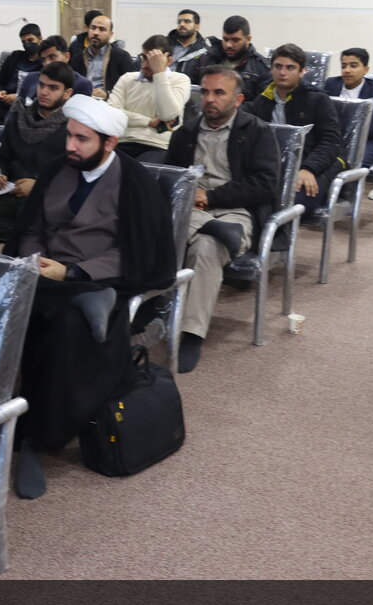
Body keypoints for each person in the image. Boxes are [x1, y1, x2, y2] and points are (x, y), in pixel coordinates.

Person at [3, 94, 174, 498]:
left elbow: (137, 253)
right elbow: (32, 228)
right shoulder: (56, 169)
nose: (70, 146)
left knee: (65, 328)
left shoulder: (135, 183)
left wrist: (75, 272)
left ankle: (36, 440)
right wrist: (35, 258)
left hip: (102, 281)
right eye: (70, 136)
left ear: (109, 142)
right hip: (43, 272)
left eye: (82, 139)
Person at [166, 67, 280, 373]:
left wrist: (212, 197)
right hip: (192, 209)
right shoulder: (185, 134)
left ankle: (191, 333)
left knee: (206, 246)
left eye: (219, 93)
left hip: (234, 210)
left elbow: (266, 184)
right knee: (150, 223)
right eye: (204, 92)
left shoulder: (257, 132)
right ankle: (146, 310)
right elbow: (173, 178)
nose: (209, 99)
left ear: (238, 99)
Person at [243, 44, 342, 216]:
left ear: (302, 72)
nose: (282, 73)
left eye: (290, 68)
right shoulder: (262, 101)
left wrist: (309, 168)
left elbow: (331, 142)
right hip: (275, 167)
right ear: (271, 69)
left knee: (286, 205)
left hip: (314, 165)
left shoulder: (318, 100)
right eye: (278, 66)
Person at [0, 61, 74, 241]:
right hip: (10, 192)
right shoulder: (19, 117)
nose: (44, 92)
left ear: (67, 93)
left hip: (47, 197)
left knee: (29, 221)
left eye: (53, 88)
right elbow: (3, 158)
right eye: (41, 85)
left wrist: (39, 186)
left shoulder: (73, 129)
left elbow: (72, 176)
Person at [105, 34, 191, 163]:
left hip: (158, 146)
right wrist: (149, 122)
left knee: (141, 169)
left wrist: (159, 73)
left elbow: (167, 114)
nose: (145, 64)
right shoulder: (127, 78)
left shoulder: (180, 80)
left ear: (169, 61)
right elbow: (112, 114)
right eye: (144, 57)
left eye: (154, 60)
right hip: (123, 141)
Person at [323, 47, 373, 172]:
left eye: (353, 66)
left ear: (365, 69)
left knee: (353, 163)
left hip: (367, 141)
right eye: (343, 66)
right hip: (335, 138)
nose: (347, 70)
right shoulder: (331, 84)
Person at [0, 23, 43, 126]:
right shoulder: (15, 57)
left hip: (19, 108)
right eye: (24, 42)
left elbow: (38, 94)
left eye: (30, 40)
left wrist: (19, 97)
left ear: (40, 39)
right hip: (1, 101)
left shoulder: (44, 64)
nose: (27, 44)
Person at [198, 15, 270, 95]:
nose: (228, 45)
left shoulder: (261, 68)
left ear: (248, 39)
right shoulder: (208, 59)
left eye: (235, 40)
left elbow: (262, 101)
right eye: (225, 39)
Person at [69, 14, 135, 99]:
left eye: (102, 29)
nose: (96, 33)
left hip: (109, 102)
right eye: (93, 28)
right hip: (83, 101)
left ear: (110, 34)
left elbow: (131, 89)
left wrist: (107, 95)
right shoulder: (78, 58)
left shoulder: (122, 57)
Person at [15, 36, 93, 104]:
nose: (47, 63)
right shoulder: (31, 78)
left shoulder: (82, 84)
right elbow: (16, 110)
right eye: (43, 59)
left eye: (52, 57)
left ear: (67, 57)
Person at [169, 9, 220, 79]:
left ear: (197, 27)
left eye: (187, 21)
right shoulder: (165, 44)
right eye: (179, 22)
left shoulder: (205, 53)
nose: (182, 24)